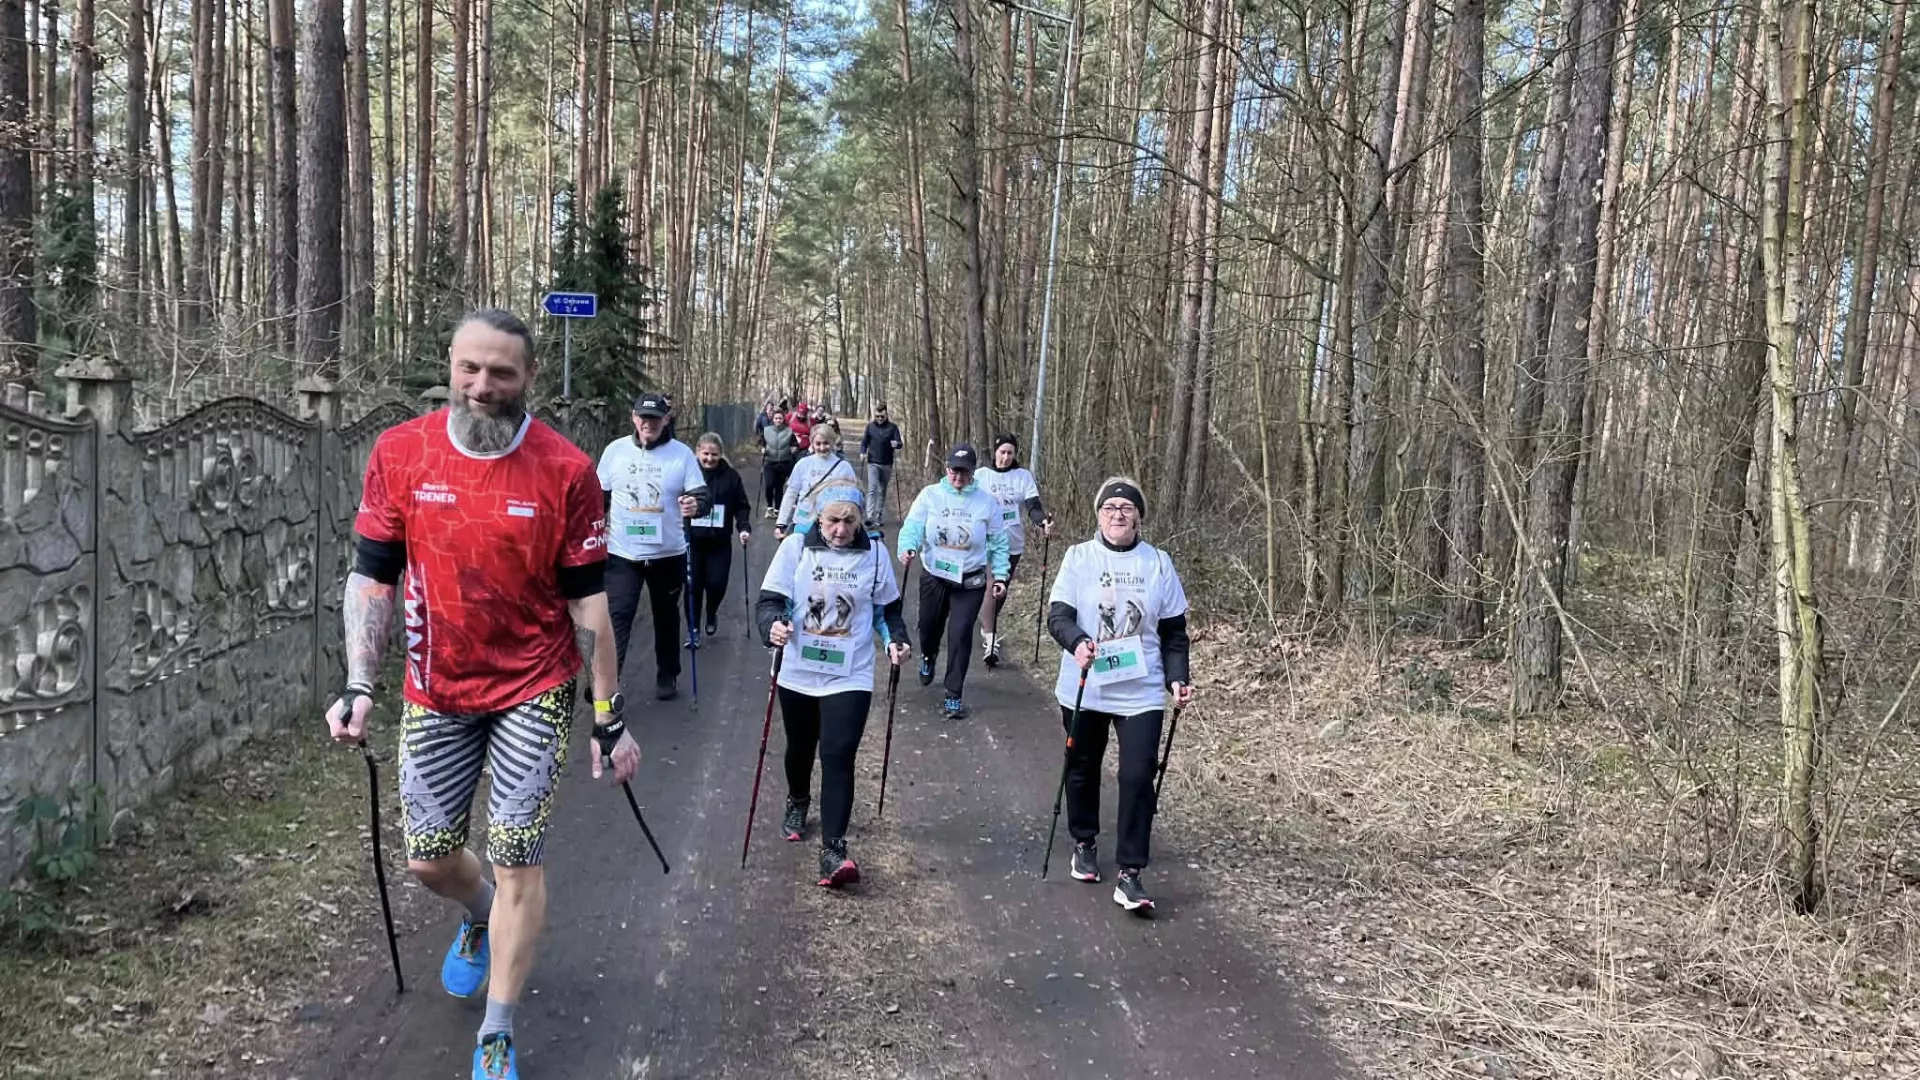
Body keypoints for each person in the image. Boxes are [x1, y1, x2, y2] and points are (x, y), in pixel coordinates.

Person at [326, 309, 641, 1080]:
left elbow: (587, 605)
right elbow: (372, 575)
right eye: (471, 367)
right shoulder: (402, 453)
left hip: (533, 687)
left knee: (518, 851)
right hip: (434, 690)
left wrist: (608, 714)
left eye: (502, 372)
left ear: (530, 377)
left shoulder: (566, 472)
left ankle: (497, 1028)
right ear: (450, 363)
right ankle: (479, 914)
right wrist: (360, 684)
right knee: (430, 860)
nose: (483, 386)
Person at [1046, 477, 1194, 915]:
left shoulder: (1158, 564)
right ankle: (1084, 841)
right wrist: (1076, 642)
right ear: (1098, 514)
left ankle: (1131, 872)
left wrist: (1177, 678)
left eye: (1126, 508)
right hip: (1087, 683)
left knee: (1136, 776)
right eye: (1110, 507)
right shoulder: (1078, 558)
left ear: (1139, 517)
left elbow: (1174, 633)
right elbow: (1058, 616)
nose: (1117, 514)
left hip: (1141, 689)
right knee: (1082, 767)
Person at [756, 479, 910, 887]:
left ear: (860, 521)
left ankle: (833, 850)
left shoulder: (875, 554)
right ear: (817, 519)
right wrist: (771, 626)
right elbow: (769, 601)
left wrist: (897, 641)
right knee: (800, 747)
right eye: (832, 521)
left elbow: (888, 611)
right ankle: (797, 799)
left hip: (850, 672)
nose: (840, 529)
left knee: (839, 754)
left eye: (848, 521)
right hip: (798, 671)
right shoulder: (795, 547)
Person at [598, 392, 712, 700]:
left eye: (654, 418)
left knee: (666, 616)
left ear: (665, 420)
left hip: (668, 553)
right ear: (633, 418)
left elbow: (702, 495)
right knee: (617, 616)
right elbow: (599, 497)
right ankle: (609, 683)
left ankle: (667, 674)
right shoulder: (615, 451)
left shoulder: (682, 454)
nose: (648, 423)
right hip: (623, 553)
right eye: (642, 417)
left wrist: (695, 505)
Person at [896, 443, 1009, 720]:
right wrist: (908, 547)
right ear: (946, 469)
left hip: (970, 579)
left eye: (964, 472)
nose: (957, 476)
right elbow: (913, 526)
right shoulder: (931, 495)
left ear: (972, 473)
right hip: (935, 574)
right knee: (928, 626)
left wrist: (1002, 574)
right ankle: (928, 656)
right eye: (953, 470)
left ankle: (953, 694)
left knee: (960, 633)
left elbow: (998, 541)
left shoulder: (986, 502)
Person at [976, 434, 1053, 667]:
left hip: (1013, 542)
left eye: (1010, 453)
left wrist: (1042, 523)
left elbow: (1033, 506)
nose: (1006, 457)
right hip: (986, 540)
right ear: (995, 452)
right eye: (1002, 452)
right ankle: (990, 640)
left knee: (1001, 590)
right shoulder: (981, 476)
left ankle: (984, 623)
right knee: (992, 584)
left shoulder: (1023, 476)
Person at [688, 432, 754, 638]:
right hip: (692, 541)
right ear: (697, 452)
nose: (709, 459)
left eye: (714, 455)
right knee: (693, 586)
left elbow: (741, 505)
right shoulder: (688, 474)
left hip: (719, 541)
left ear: (720, 455)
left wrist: (743, 527)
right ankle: (694, 628)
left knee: (716, 584)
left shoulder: (731, 476)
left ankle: (711, 612)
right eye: (705, 454)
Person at [776, 422, 859, 540]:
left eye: (826, 443)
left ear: (832, 442)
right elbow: (791, 494)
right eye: (818, 444)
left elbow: (853, 500)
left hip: (831, 527)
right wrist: (781, 523)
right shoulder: (803, 464)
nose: (822, 447)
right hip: (803, 522)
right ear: (812, 444)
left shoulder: (844, 467)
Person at [859, 402, 905, 528]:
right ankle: (869, 517)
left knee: (882, 490)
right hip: (873, 462)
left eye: (882, 417)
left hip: (887, 463)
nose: (879, 419)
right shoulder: (870, 427)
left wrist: (897, 444)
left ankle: (879, 515)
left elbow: (900, 443)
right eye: (877, 416)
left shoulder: (892, 427)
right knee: (872, 489)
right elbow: (864, 442)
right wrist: (862, 452)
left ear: (886, 415)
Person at [762, 408, 799, 518]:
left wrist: (794, 449)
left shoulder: (789, 431)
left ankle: (778, 509)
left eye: (780, 418)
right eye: (776, 418)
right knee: (769, 485)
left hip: (783, 462)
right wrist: (763, 448)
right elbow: (761, 442)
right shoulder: (766, 430)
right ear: (773, 419)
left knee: (779, 487)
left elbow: (795, 444)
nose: (778, 420)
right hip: (769, 462)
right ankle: (769, 507)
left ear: (784, 419)